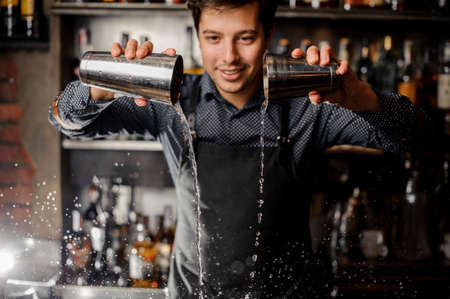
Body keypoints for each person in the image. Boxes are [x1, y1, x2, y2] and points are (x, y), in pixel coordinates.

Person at [49, 0, 429, 297]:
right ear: (196, 35)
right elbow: (65, 119)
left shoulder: (310, 107)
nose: (229, 57)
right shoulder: (171, 104)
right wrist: (101, 82)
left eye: (245, 38)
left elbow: (417, 136)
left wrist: (361, 97)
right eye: (213, 38)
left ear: (268, 34)